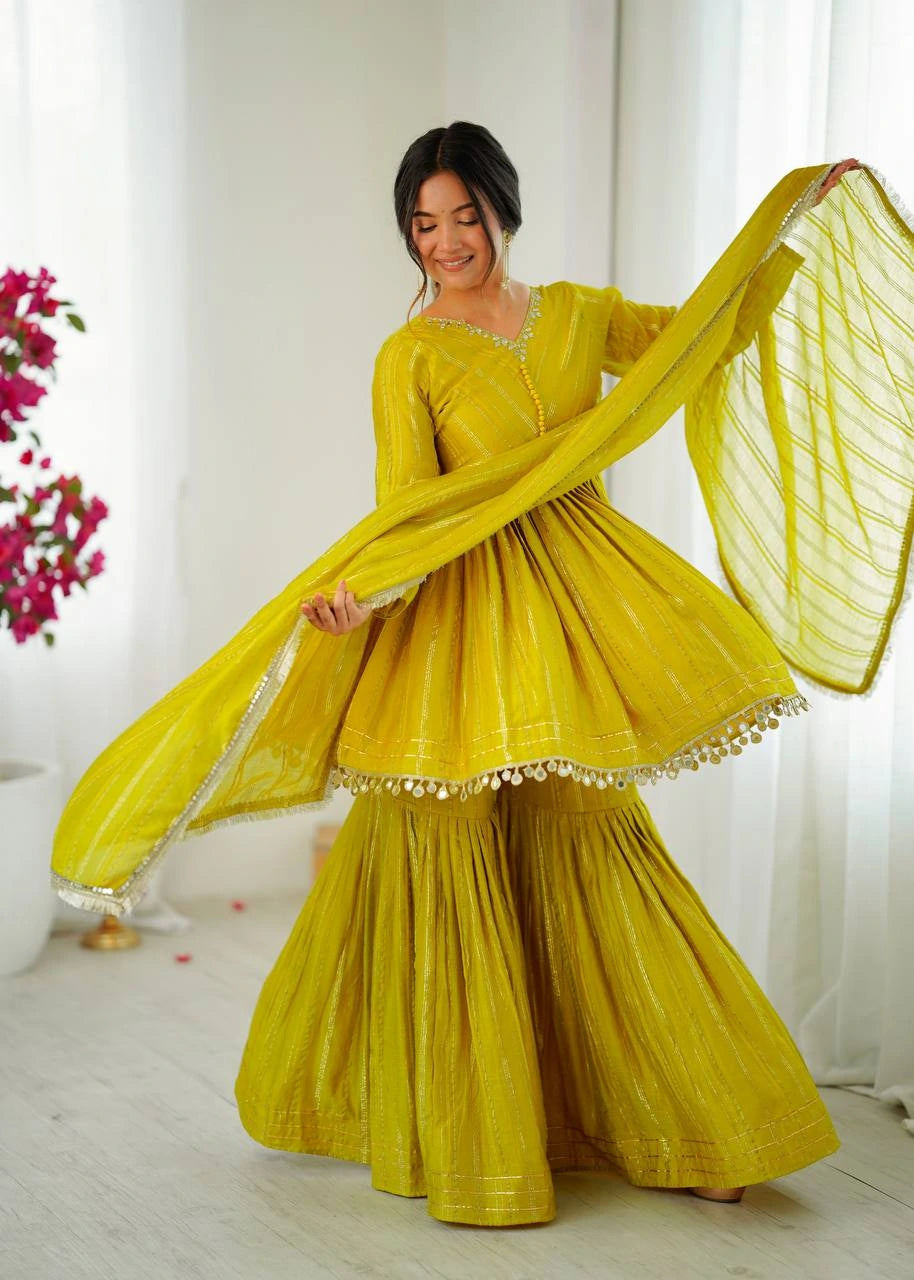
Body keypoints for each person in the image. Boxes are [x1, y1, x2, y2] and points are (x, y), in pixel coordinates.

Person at [230, 123, 853, 1227]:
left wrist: (789, 221)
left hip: (573, 623)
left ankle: (695, 1121)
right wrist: (358, 594)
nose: (444, 241)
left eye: (461, 215)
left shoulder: (571, 313)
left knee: (594, 844)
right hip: (455, 627)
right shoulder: (409, 355)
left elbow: (698, 336)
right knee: (445, 847)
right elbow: (405, 509)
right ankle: (479, 1137)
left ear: (499, 211)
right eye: (422, 224)